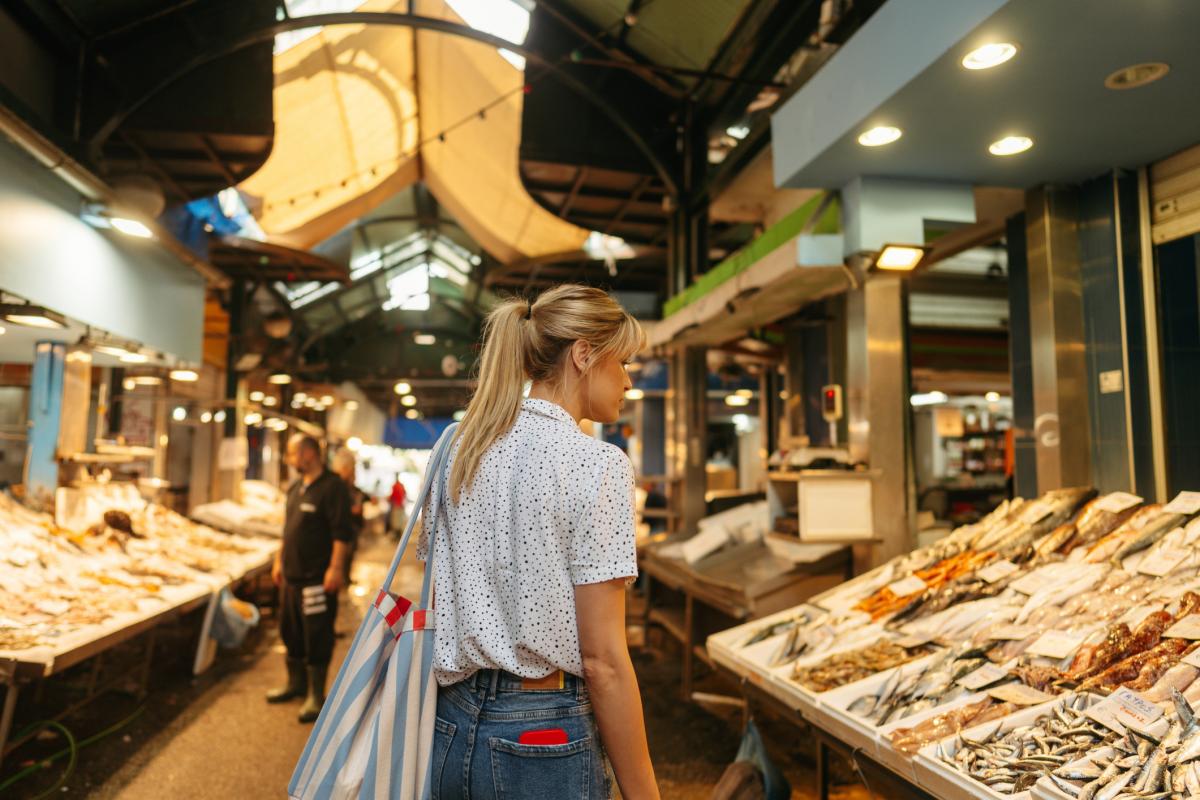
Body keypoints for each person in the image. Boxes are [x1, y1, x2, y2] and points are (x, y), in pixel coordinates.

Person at [418, 285, 659, 799]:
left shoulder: (456, 448)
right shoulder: (598, 465)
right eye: (622, 362)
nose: (628, 380)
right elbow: (604, 662)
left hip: (447, 727)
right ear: (584, 355)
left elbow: (438, 595)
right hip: (542, 736)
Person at [268, 434, 354, 723]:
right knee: (290, 631)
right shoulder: (295, 488)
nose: (289, 460)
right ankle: (296, 684)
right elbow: (286, 530)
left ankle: (316, 695)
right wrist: (279, 561)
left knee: (317, 634)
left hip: (316, 579)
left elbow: (342, 533)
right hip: (291, 578)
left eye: (292, 454)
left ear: (308, 454)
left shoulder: (333, 488)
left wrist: (336, 568)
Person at [331, 448, 365, 585]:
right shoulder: (335, 486)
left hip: (349, 530)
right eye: (352, 468)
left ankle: (345, 579)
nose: (353, 471)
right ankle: (342, 579)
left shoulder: (347, 486)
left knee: (348, 556)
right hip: (339, 534)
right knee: (343, 556)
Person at [388, 473, 407, 537]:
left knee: (396, 520)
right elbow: (404, 494)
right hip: (401, 505)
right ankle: (399, 534)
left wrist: (389, 499)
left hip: (397, 505)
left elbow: (393, 495)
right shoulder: (401, 485)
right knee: (400, 520)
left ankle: (397, 534)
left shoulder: (395, 486)